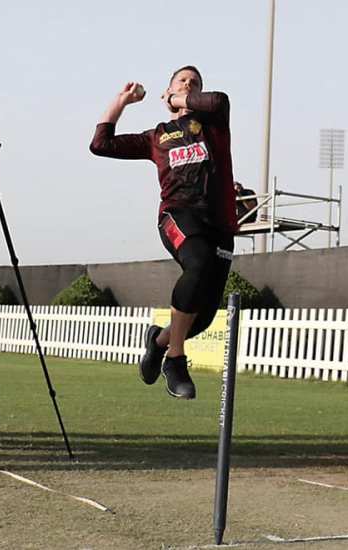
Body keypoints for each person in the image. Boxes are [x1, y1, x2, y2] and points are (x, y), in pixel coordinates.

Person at [90, 66, 236, 400]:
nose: (189, 84)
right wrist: (121, 101)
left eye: (195, 82)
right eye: (182, 81)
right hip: (177, 214)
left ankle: (158, 342)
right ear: (169, 89)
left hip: (219, 225)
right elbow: (100, 144)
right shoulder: (157, 136)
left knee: (202, 316)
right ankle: (175, 360)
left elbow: (218, 100)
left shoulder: (214, 121)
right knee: (198, 262)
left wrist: (176, 99)